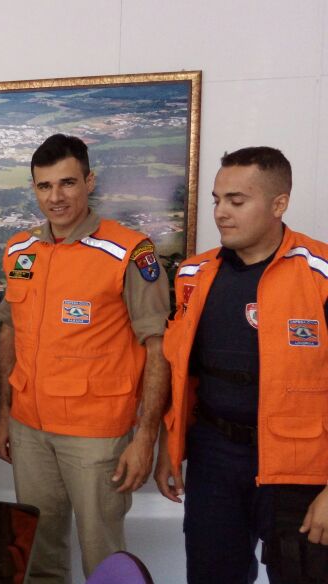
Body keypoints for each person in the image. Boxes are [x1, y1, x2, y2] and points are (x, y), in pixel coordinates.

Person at [0, 134, 171, 582]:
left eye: (67, 183)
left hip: (97, 435)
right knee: (37, 553)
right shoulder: (19, 250)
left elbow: (158, 347)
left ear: (89, 182)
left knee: (104, 557)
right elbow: (10, 330)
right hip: (29, 428)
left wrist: (146, 437)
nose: (56, 197)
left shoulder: (130, 252)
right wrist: (4, 412)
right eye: (44, 186)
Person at [155, 147, 328, 583]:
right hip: (214, 457)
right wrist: (169, 450)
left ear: (279, 204)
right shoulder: (193, 276)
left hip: (300, 465)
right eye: (217, 200)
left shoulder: (320, 274)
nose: (220, 213)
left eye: (236, 201)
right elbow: (182, 375)